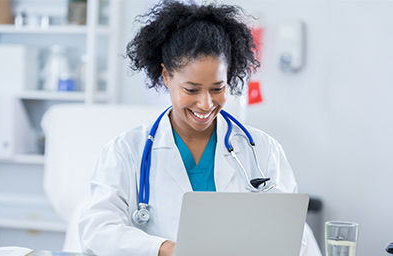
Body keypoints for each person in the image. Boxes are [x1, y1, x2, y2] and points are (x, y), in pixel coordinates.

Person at [78, 1, 322, 256]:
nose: (206, 103)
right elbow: (97, 230)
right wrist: (164, 249)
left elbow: (294, 236)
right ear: (166, 76)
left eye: (217, 88)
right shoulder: (126, 151)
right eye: (191, 89)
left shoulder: (262, 150)